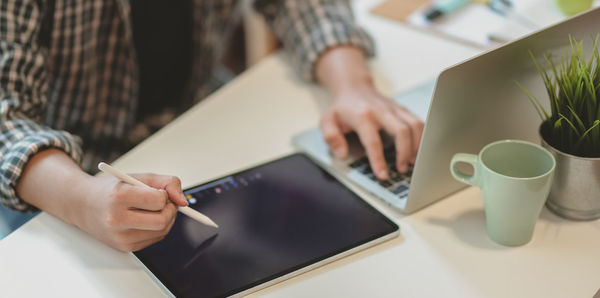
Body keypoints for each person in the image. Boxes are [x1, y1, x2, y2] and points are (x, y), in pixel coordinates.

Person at [0, 0, 423, 251]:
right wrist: (83, 200)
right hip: (56, 171)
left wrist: (352, 85)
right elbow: (7, 119)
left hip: (196, 117)